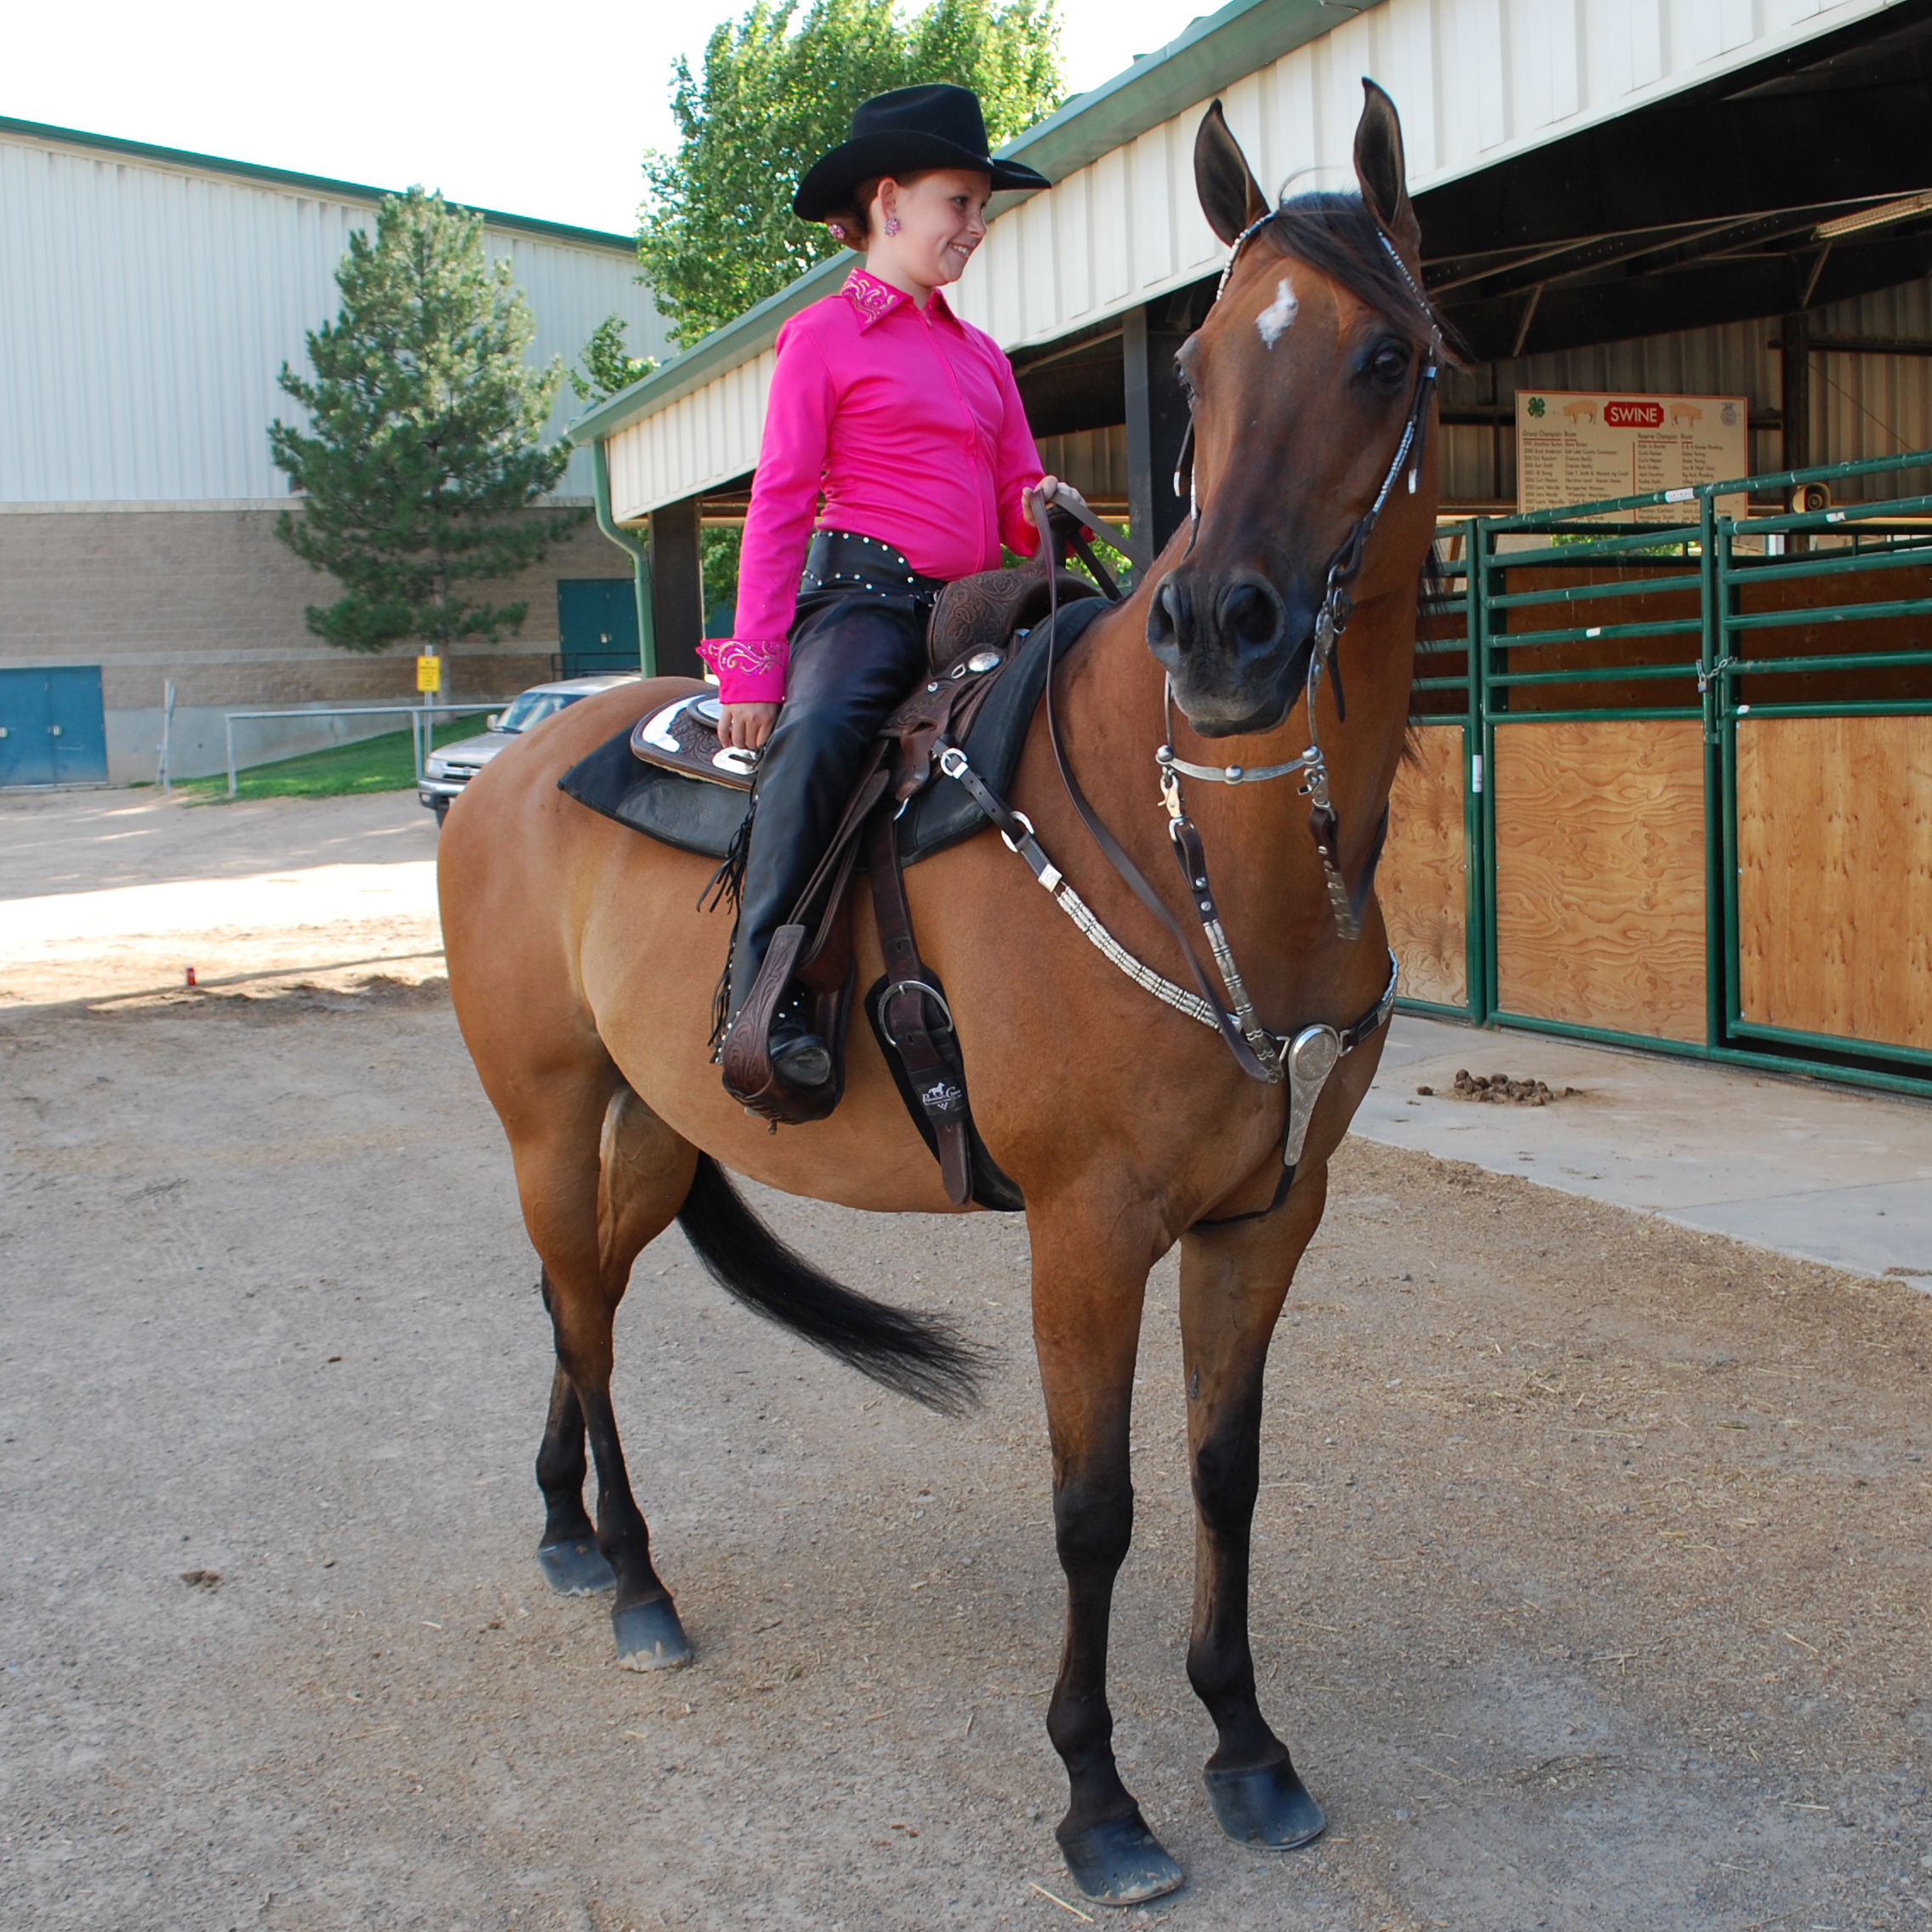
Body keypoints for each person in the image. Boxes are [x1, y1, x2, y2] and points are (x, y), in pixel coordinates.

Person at [707, 83, 1057, 1094]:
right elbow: (776, 504)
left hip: (972, 608)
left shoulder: (984, 356)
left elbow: (1011, 507)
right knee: (816, 741)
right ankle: (758, 996)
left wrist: (1047, 509)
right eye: (962, 203)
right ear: (891, 201)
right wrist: (754, 664)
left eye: (983, 207)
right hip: (862, 602)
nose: (977, 227)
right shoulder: (821, 337)